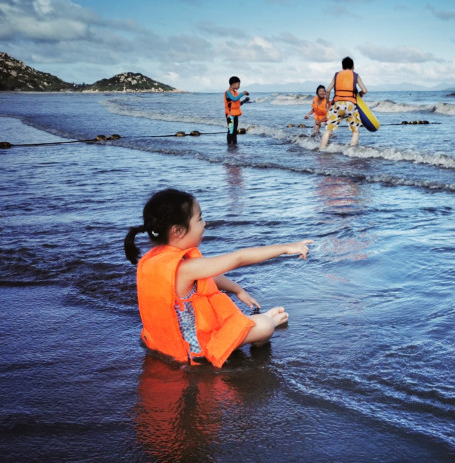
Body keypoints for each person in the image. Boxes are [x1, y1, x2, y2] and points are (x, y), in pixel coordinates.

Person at [124, 188, 312, 367]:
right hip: (196, 349)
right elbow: (239, 258)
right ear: (178, 231)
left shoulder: (155, 260)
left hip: (161, 343)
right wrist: (286, 248)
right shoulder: (185, 268)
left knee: (249, 321)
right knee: (265, 326)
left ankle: (254, 324)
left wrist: (237, 289)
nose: (204, 224)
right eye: (199, 219)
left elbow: (208, 277)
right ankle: (263, 327)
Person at [320, 57, 368, 150]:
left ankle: (321, 149)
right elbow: (365, 90)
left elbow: (328, 90)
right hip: (350, 105)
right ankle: (352, 151)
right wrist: (360, 94)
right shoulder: (355, 75)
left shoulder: (337, 75)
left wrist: (327, 104)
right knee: (355, 131)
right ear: (353, 66)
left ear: (342, 67)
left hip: (337, 105)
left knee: (328, 130)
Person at [225, 76, 249, 145]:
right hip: (230, 115)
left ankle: (234, 145)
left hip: (235, 114)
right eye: (238, 84)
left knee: (235, 130)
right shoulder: (228, 92)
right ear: (233, 84)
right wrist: (243, 93)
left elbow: (238, 104)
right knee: (231, 130)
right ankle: (229, 145)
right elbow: (234, 99)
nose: (239, 85)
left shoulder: (236, 93)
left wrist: (244, 101)